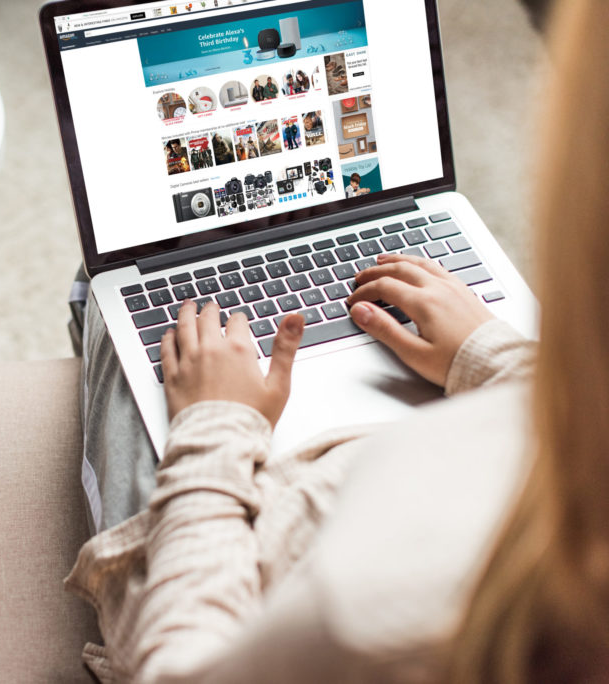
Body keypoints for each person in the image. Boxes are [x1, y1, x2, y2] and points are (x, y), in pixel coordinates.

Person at [67, 0, 609, 681]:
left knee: (107, 290)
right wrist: (494, 358)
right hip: (431, 431)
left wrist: (214, 427)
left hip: (245, 546)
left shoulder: (367, 617)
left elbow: (183, 668)